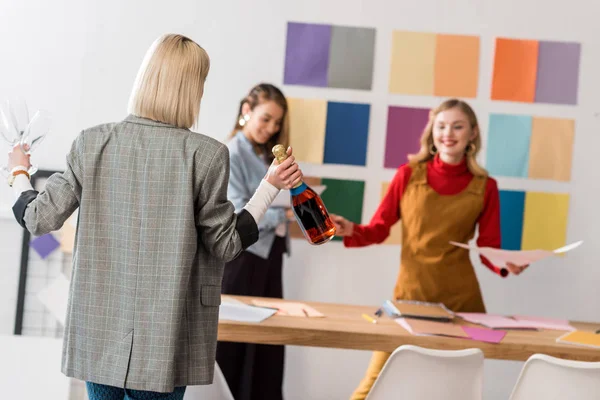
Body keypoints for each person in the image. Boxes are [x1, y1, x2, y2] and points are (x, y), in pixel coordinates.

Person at [6, 34, 303, 400]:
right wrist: (269, 186)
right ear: (192, 89)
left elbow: (37, 217)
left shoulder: (92, 142)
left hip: (99, 330)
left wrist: (18, 172)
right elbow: (226, 244)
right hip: (168, 334)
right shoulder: (206, 155)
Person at [331, 98, 529, 400]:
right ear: (432, 131)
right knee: (371, 388)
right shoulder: (408, 175)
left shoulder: (485, 186)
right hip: (411, 298)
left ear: (473, 133)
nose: (448, 133)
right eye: (441, 126)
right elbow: (380, 228)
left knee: (456, 391)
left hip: (462, 304)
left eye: (457, 126)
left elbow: (489, 247)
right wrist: (351, 230)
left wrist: (506, 264)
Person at [216, 83, 291, 400]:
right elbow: (236, 211)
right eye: (266, 119)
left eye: (277, 123)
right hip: (243, 260)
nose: (271, 128)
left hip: (266, 259)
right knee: (237, 347)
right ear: (247, 110)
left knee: (265, 346)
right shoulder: (232, 152)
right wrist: (281, 215)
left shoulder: (261, 153)